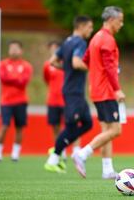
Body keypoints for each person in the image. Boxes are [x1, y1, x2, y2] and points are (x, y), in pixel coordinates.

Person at [73, 6, 125, 179]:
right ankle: (82, 154)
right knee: (116, 130)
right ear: (111, 20)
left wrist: (96, 74)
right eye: (120, 21)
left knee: (106, 130)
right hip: (106, 92)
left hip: (95, 90)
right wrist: (117, 90)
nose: (122, 24)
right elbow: (110, 68)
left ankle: (107, 169)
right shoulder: (108, 40)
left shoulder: (96, 37)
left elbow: (85, 60)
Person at [44, 16, 94, 173]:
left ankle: (60, 147)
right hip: (73, 92)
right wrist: (94, 69)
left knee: (88, 123)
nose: (91, 30)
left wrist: (67, 70)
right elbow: (76, 62)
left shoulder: (67, 41)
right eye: (90, 27)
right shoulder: (80, 42)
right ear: (81, 26)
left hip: (73, 90)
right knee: (72, 126)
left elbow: (53, 61)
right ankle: (53, 158)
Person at [0, 40, 33, 162]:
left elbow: (24, 82)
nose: (14, 50)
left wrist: (12, 78)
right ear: (9, 50)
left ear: (21, 51)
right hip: (6, 101)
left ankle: (15, 154)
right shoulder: (3, 64)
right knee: (4, 126)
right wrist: (16, 78)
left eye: (16, 48)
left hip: (21, 101)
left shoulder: (26, 66)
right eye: (12, 48)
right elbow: (3, 78)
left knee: (19, 127)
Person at [43, 41, 80, 160]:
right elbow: (47, 80)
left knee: (73, 125)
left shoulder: (68, 64)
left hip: (68, 101)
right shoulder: (47, 65)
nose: (54, 51)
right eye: (52, 48)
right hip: (53, 101)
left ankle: (76, 151)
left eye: (56, 49)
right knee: (55, 127)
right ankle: (60, 151)